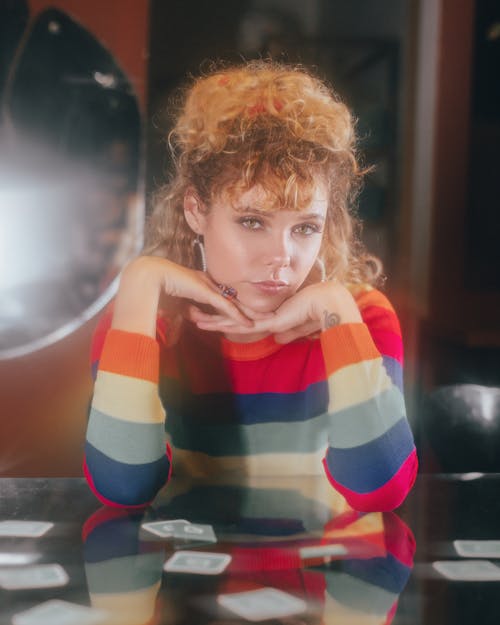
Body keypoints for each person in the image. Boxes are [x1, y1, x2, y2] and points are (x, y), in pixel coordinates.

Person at [84, 60, 418, 512]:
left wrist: (338, 307)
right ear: (196, 211)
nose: (280, 256)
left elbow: (381, 490)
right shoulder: (143, 315)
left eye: (304, 228)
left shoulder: (360, 316)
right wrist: (140, 280)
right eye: (252, 221)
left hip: (324, 576)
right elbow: (121, 486)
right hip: (189, 574)